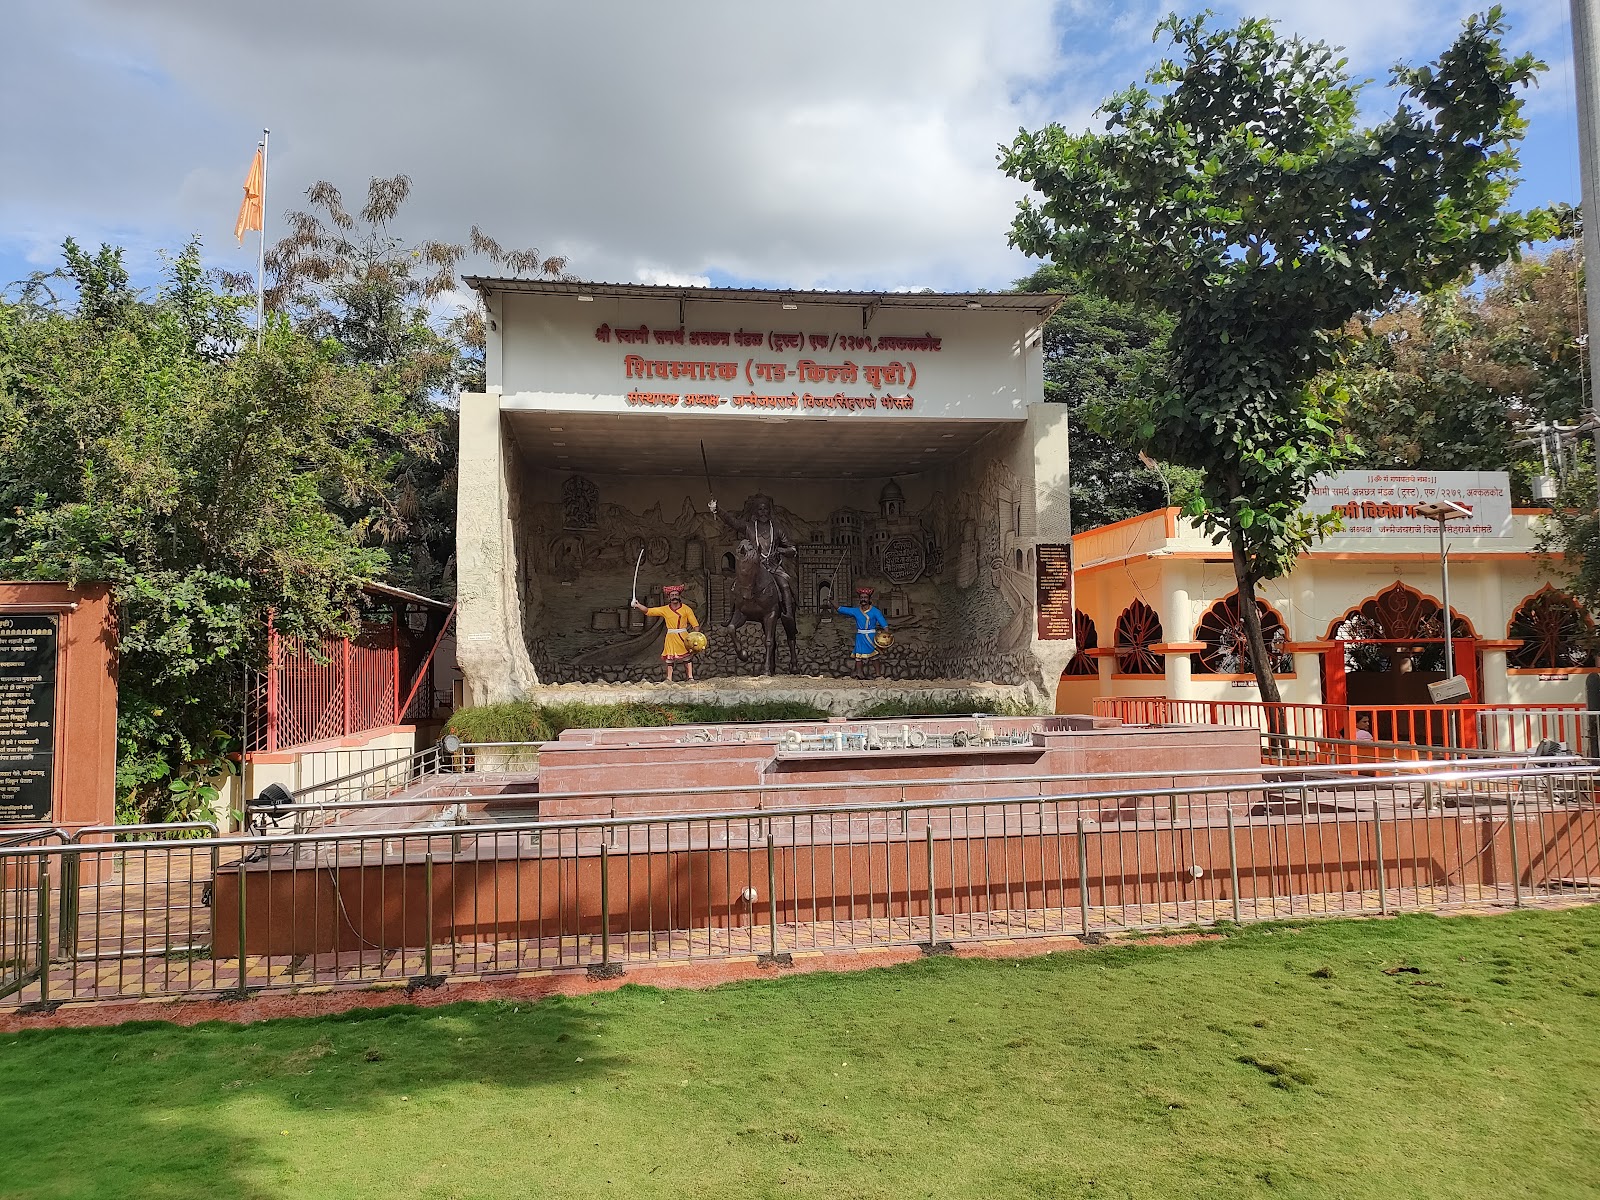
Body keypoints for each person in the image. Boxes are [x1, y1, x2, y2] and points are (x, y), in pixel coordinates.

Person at [709, 493, 797, 621]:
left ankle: (788, 614)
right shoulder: (749, 527)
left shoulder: (778, 528)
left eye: (765, 509)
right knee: (734, 586)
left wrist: (781, 550)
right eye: (760, 509)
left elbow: (792, 550)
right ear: (756, 511)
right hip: (754, 566)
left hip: (773, 567)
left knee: (784, 585)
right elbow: (732, 522)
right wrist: (718, 509)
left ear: (769, 510)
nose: (763, 512)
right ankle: (731, 616)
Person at [633, 585, 700, 682]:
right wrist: (638, 605)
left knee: (687, 657)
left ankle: (690, 677)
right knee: (670, 659)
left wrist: (696, 635)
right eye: (672, 595)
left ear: (679, 596)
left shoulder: (686, 609)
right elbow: (649, 611)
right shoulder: (665, 609)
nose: (674, 597)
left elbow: (695, 624)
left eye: (676, 595)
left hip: (683, 636)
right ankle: (669, 678)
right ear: (669, 597)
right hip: (671, 637)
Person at [837, 586, 888, 679]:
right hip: (860, 636)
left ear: (869, 599)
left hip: (871, 636)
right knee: (858, 657)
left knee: (874, 656)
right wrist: (831, 600)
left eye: (865, 597)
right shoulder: (856, 611)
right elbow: (842, 609)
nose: (863, 599)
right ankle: (859, 673)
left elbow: (883, 622)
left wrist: (886, 633)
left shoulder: (875, 611)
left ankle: (878, 675)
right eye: (861, 597)